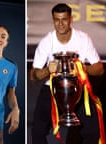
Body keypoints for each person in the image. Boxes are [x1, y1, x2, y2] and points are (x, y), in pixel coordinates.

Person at [30, 3, 104, 144]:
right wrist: (47, 70)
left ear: (70, 19)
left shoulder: (83, 38)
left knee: (93, 131)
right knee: (37, 132)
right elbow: (33, 76)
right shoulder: (46, 42)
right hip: (52, 89)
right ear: (53, 20)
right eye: (57, 20)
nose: (61, 24)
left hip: (78, 88)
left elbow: (99, 69)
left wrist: (83, 68)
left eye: (64, 19)